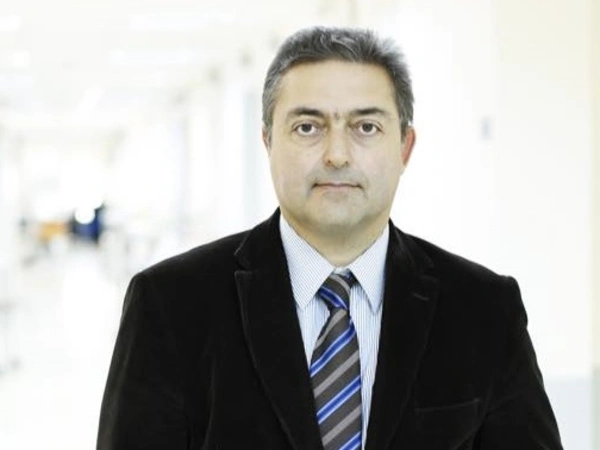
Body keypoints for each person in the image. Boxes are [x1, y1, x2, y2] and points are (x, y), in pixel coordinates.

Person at [97, 26, 563, 449]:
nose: (337, 154)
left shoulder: (484, 308)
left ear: (404, 148)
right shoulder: (170, 304)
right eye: (308, 127)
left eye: (366, 127)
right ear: (268, 142)